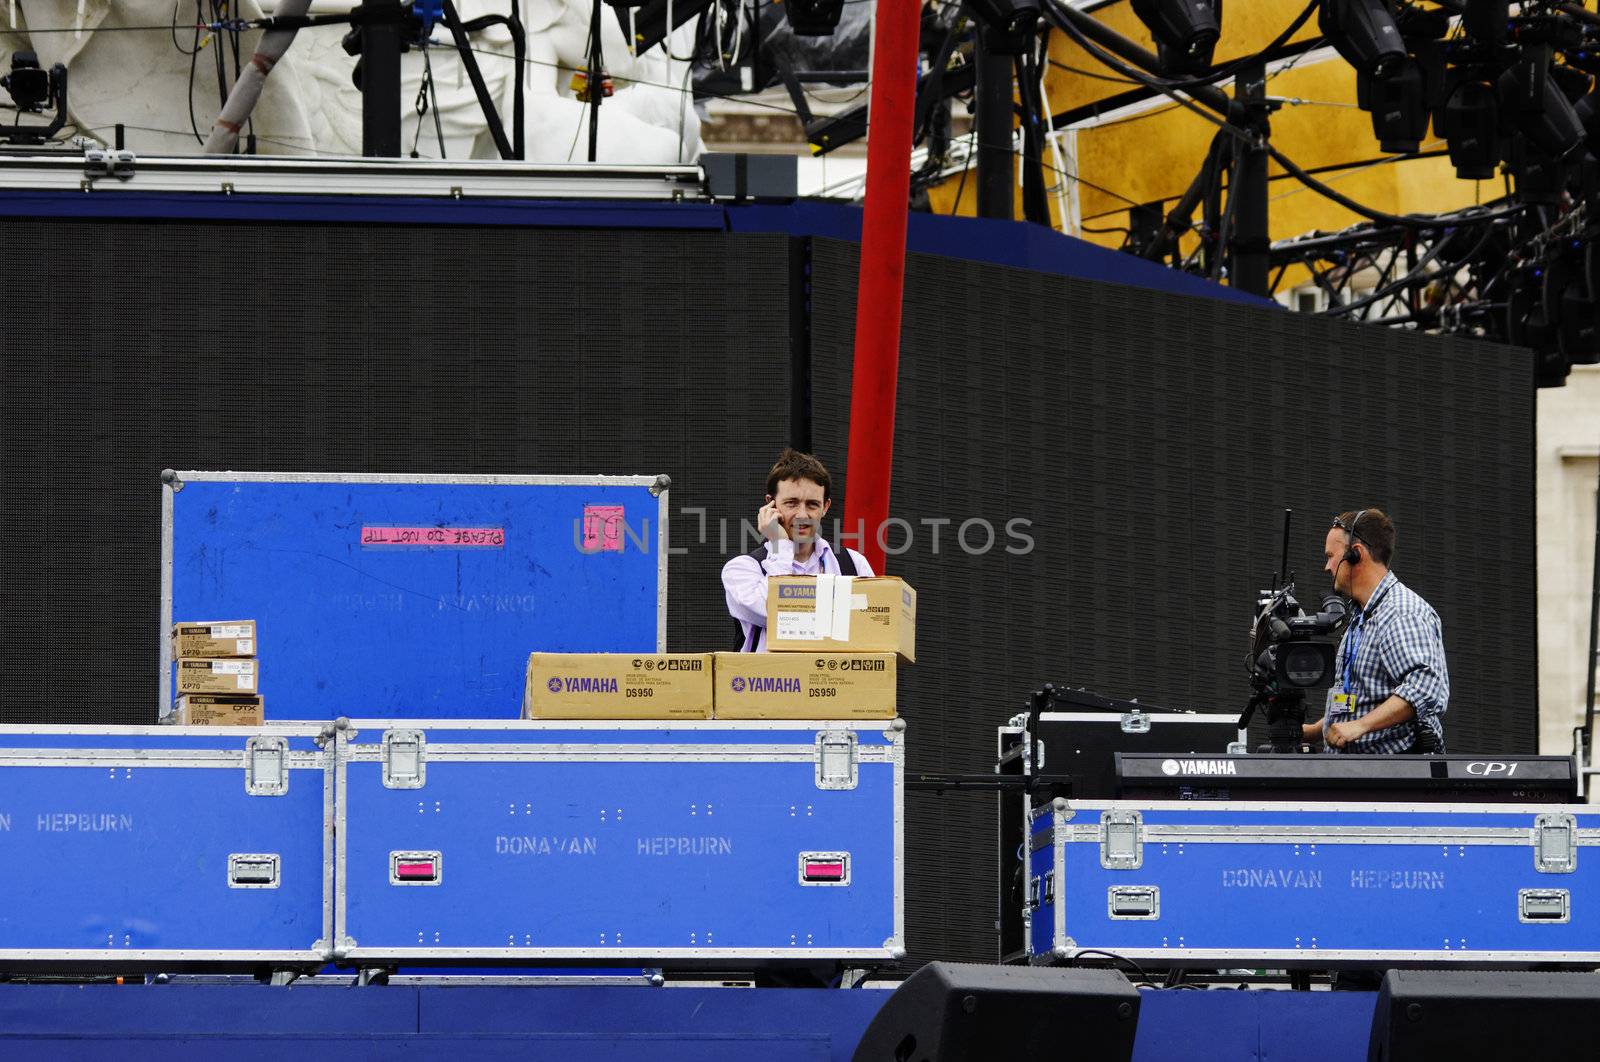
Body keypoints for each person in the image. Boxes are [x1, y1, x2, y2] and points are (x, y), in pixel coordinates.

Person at [1302, 508, 1449, 754]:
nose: (1326, 566)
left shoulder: (1402, 612)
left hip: (1391, 782)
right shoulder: (1363, 615)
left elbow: (1425, 688)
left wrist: (1359, 726)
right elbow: (1363, 699)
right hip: (1357, 778)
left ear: (1355, 555)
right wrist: (1317, 731)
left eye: (1330, 556)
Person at [722, 449, 874, 651]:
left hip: (834, 680)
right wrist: (780, 545)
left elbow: (872, 629)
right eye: (791, 503)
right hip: (769, 681)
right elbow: (776, 614)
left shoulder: (853, 564)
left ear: (825, 507)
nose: (802, 514)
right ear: (770, 504)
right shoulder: (741, 569)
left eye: (812, 505)